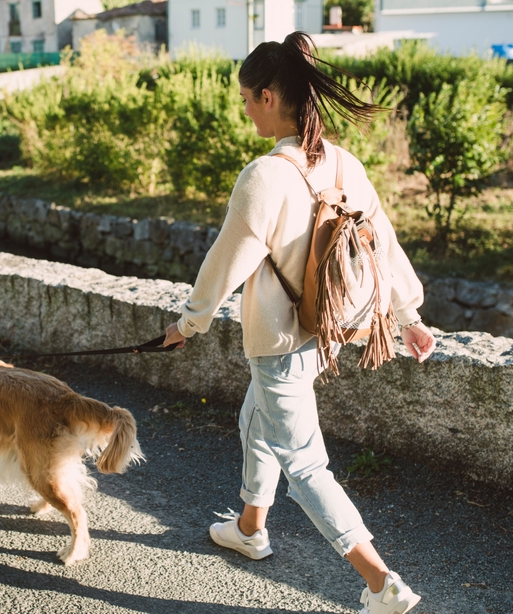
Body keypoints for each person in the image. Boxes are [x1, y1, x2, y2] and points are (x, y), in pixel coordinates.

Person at [162, 33, 436, 614]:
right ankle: (250, 527)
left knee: (305, 462)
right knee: (255, 419)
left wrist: (188, 324)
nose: (243, 108)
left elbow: (223, 263)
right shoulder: (341, 160)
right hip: (332, 326)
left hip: (282, 338)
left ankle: (380, 584)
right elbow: (380, 240)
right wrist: (408, 314)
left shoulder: (264, 176)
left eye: (245, 97)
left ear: (267, 95)